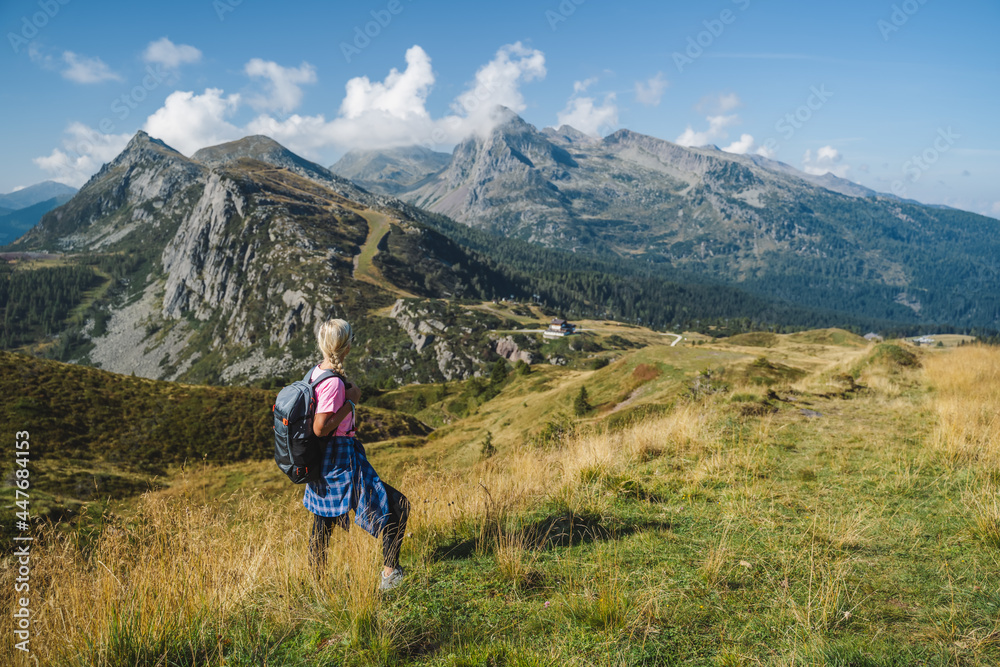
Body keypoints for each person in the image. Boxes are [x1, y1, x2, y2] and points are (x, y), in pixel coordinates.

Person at [304, 318, 409, 590]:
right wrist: (351, 402)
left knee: (322, 525)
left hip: (325, 461)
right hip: (340, 459)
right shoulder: (334, 384)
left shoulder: (316, 372)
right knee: (397, 505)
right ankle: (389, 576)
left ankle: (317, 585)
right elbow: (319, 428)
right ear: (346, 346)